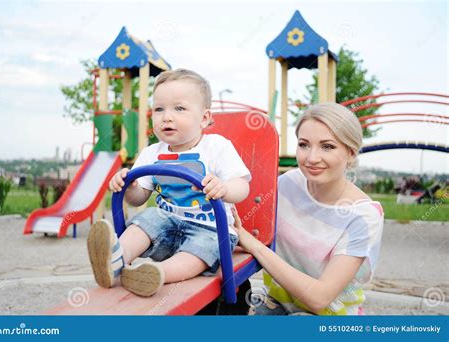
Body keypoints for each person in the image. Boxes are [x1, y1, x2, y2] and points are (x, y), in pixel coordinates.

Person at [87, 69, 251, 297]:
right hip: (168, 225)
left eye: (179, 108)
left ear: (204, 118)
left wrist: (224, 189)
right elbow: (139, 199)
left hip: (211, 228)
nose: (167, 117)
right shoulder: (151, 153)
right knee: (146, 218)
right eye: (159, 109)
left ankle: (154, 274)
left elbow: (242, 185)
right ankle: (115, 258)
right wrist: (128, 188)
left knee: (200, 250)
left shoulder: (216, 147)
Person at [234, 103, 384, 315]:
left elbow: (319, 298)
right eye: (304, 145)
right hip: (277, 306)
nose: (312, 158)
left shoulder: (363, 217)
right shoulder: (287, 184)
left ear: (351, 153)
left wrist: (256, 247)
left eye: (327, 146)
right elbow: (242, 223)